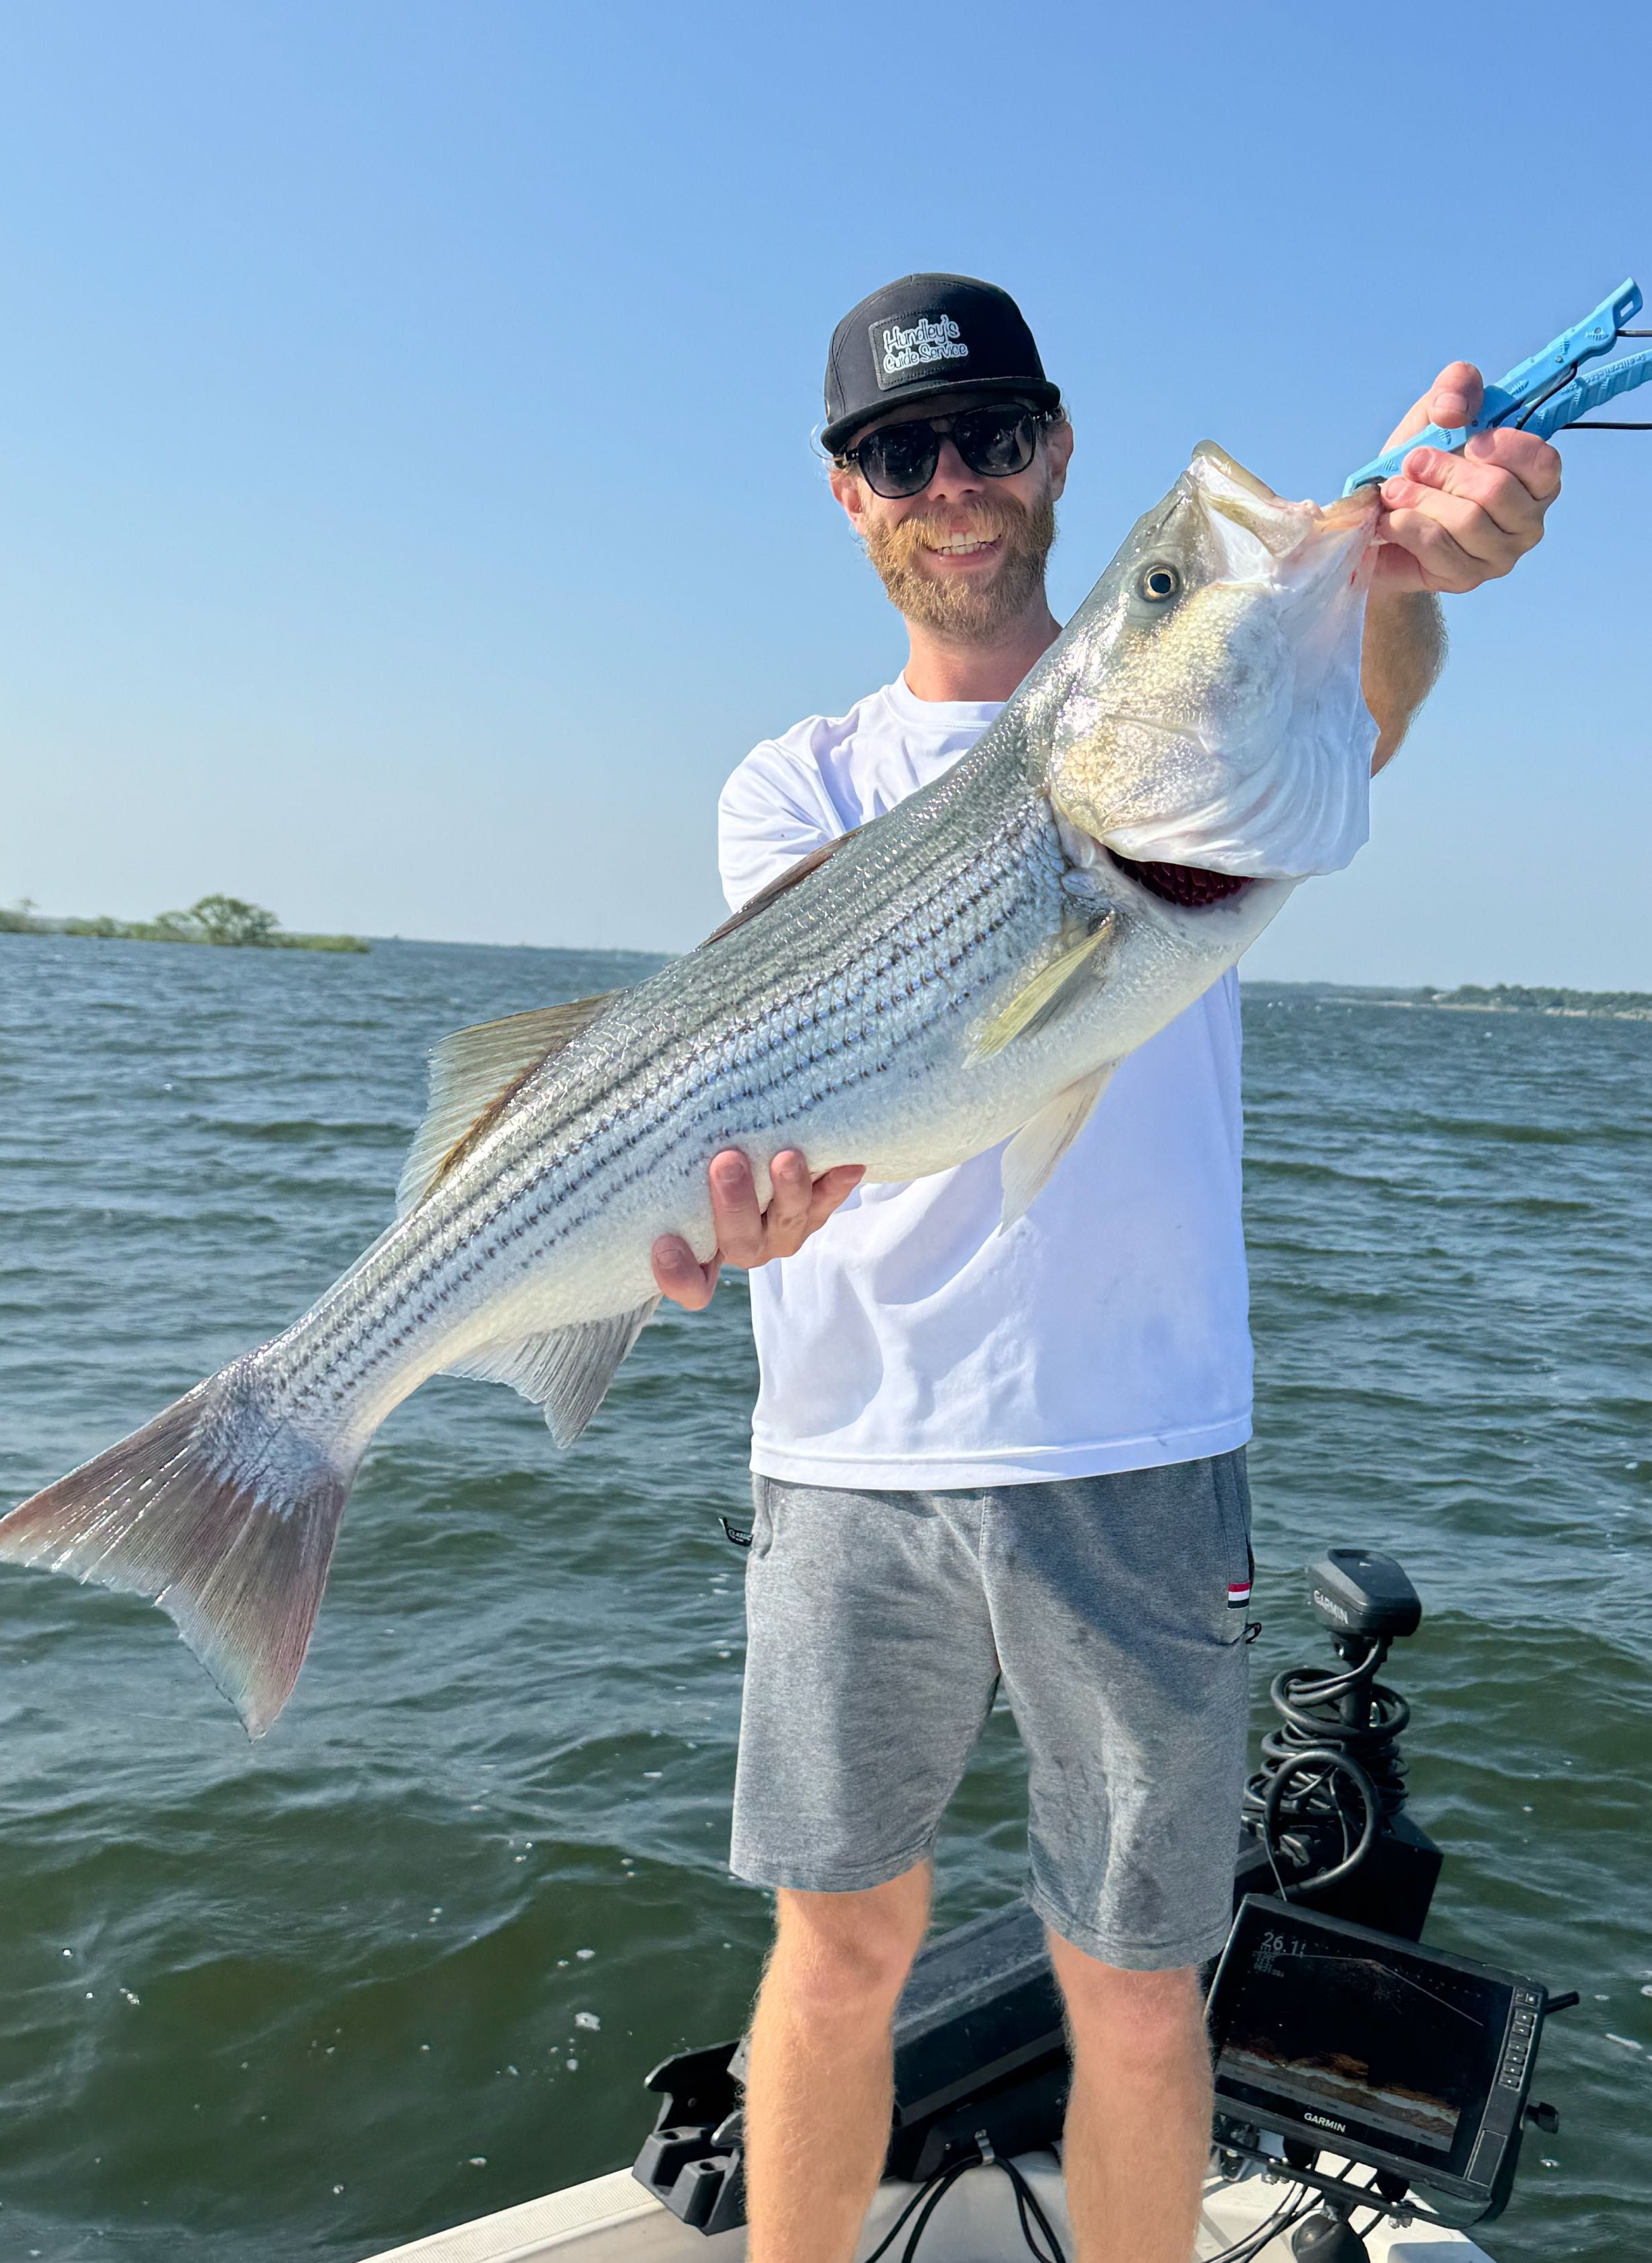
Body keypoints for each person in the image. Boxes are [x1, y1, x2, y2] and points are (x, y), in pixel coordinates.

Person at [648, 273, 1560, 2263]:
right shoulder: (788, 781)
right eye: (905, 452)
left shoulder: (1222, 718)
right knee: (835, 1948)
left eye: (991, 435)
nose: (953, 484)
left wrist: (1403, 564)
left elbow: (1367, 687)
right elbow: (802, 1079)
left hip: (1134, 1450)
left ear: (1054, 448)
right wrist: (739, 1201)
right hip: (847, 1458)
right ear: (848, 494)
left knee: (1140, 1987)